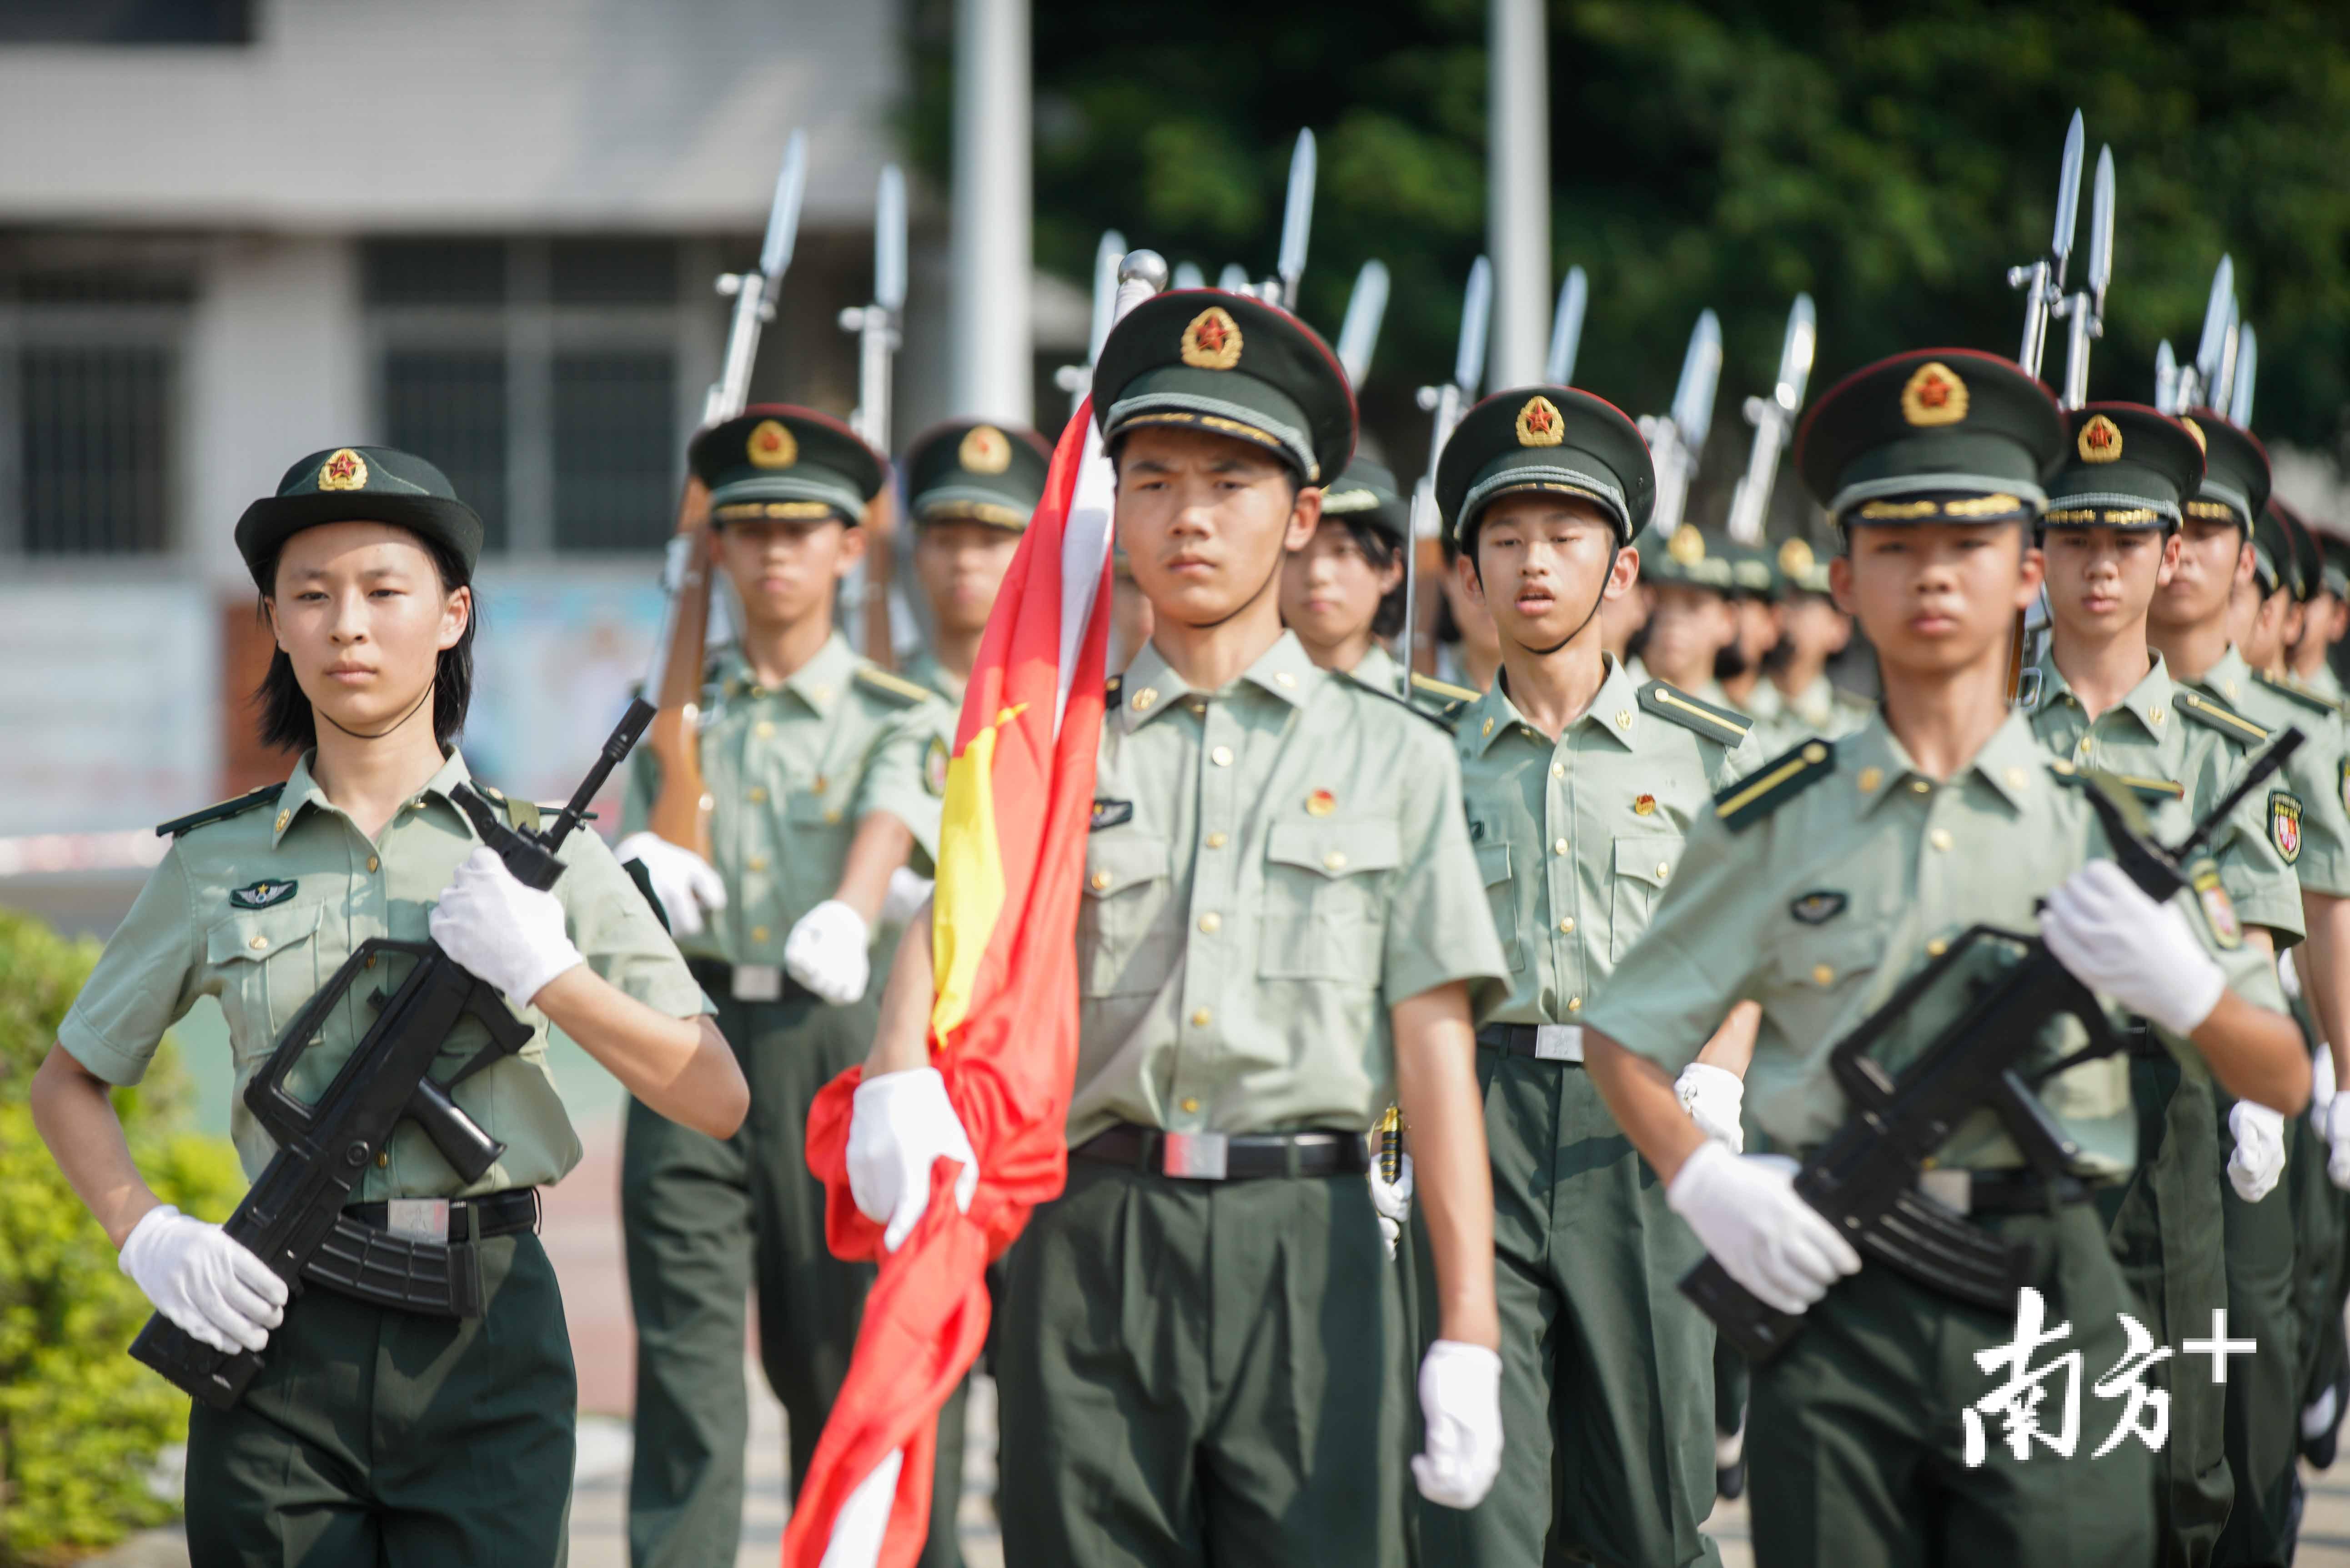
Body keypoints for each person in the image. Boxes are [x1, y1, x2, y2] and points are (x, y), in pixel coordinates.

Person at [1579, 349, 2311, 1568]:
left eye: (1968, 543)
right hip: (1838, 1296)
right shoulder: (1774, 816)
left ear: (2024, 571)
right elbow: (1621, 1034)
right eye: (1896, 544)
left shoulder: (2105, 824)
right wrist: (1703, 1177)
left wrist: (2185, 989)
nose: (1932, 574)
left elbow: (2280, 1071)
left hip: (2049, 1289)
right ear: (1845, 578)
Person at [846, 287, 1512, 1565]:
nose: (1189, 517)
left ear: (1303, 515)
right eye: (1152, 482)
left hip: (1308, 1242)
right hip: (1090, 1238)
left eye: (1229, 483)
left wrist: (1468, 1326)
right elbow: (957, 919)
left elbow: (1435, 1053)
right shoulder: (1053, 750)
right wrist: (892, 1067)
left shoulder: (1394, 757)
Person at [28, 445, 747, 1564]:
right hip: (273, 1325)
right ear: (275, 622)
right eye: (312, 596)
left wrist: (551, 974)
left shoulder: (543, 859)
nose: (347, 627)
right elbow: (69, 1080)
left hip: (485, 1333)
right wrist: (148, 1234)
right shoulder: (214, 863)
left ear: (453, 615)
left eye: (383, 590)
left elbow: (714, 1094)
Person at [1415, 382, 1767, 1566]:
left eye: (1564, 538)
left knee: (1646, 1508)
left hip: (1646, 1120)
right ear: (1468, 574)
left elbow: (1765, 937)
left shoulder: (1712, 754)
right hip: (1478, 1112)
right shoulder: (1426, 760)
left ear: (1620, 571)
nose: (1534, 564)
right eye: (1505, 540)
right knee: (1476, 1502)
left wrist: (1720, 1074)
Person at [613, 407, 961, 1568]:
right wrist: (633, 869)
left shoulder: (895, 709)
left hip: (833, 1038)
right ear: (715, 547)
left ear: (849, 546)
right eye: (749, 528)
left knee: (837, 1359)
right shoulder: (671, 712)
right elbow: (626, 866)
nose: (773, 551)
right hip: (687, 1037)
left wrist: (852, 907)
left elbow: (895, 809)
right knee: (688, 1373)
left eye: (800, 528)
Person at [2024, 401, 2303, 1564]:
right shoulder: (1976, 723)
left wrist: (2255, 1091)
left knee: (2184, 1456)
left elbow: (2262, 934)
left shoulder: (2218, 745)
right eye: (2075, 538)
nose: (2100, 565)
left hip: (2166, 1099)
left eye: (2125, 540)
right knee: (2020, 1424)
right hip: (2009, 1100)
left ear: (2169, 553)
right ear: (2037, 553)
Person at [2147, 412, 2350, 1567]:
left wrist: (2338, 1080)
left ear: (2243, 561)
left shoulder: (2287, 734)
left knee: (2247, 1361)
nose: (2178, 551)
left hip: (2244, 1077)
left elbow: (2321, 913)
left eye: (2206, 530)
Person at [1280, 454, 1476, 721]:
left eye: (1343, 551)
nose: (1317, 574)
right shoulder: (1230, 701)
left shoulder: (1442, 719)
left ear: (1391, 569)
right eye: (1295, 552)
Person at [899, 418, 1052, 706]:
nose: (965, 561)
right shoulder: (879, 702)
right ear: (917, 555)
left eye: (991, 542)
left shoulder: (1059, 707)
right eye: (945, 541)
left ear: (1035, 557)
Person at [1755, 535, 1872, 747]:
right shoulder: (1728, 716)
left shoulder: (1858, 727)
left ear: (1839, 629)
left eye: (1800, 604)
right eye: (1774, 605)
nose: (1782, 617)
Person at [1637, 525, 1742, 708]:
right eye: (1662, 600)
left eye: (1694, 604)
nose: (1674, 618)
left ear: (1728, 621)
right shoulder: (1611, 700)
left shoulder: (1736, 722)